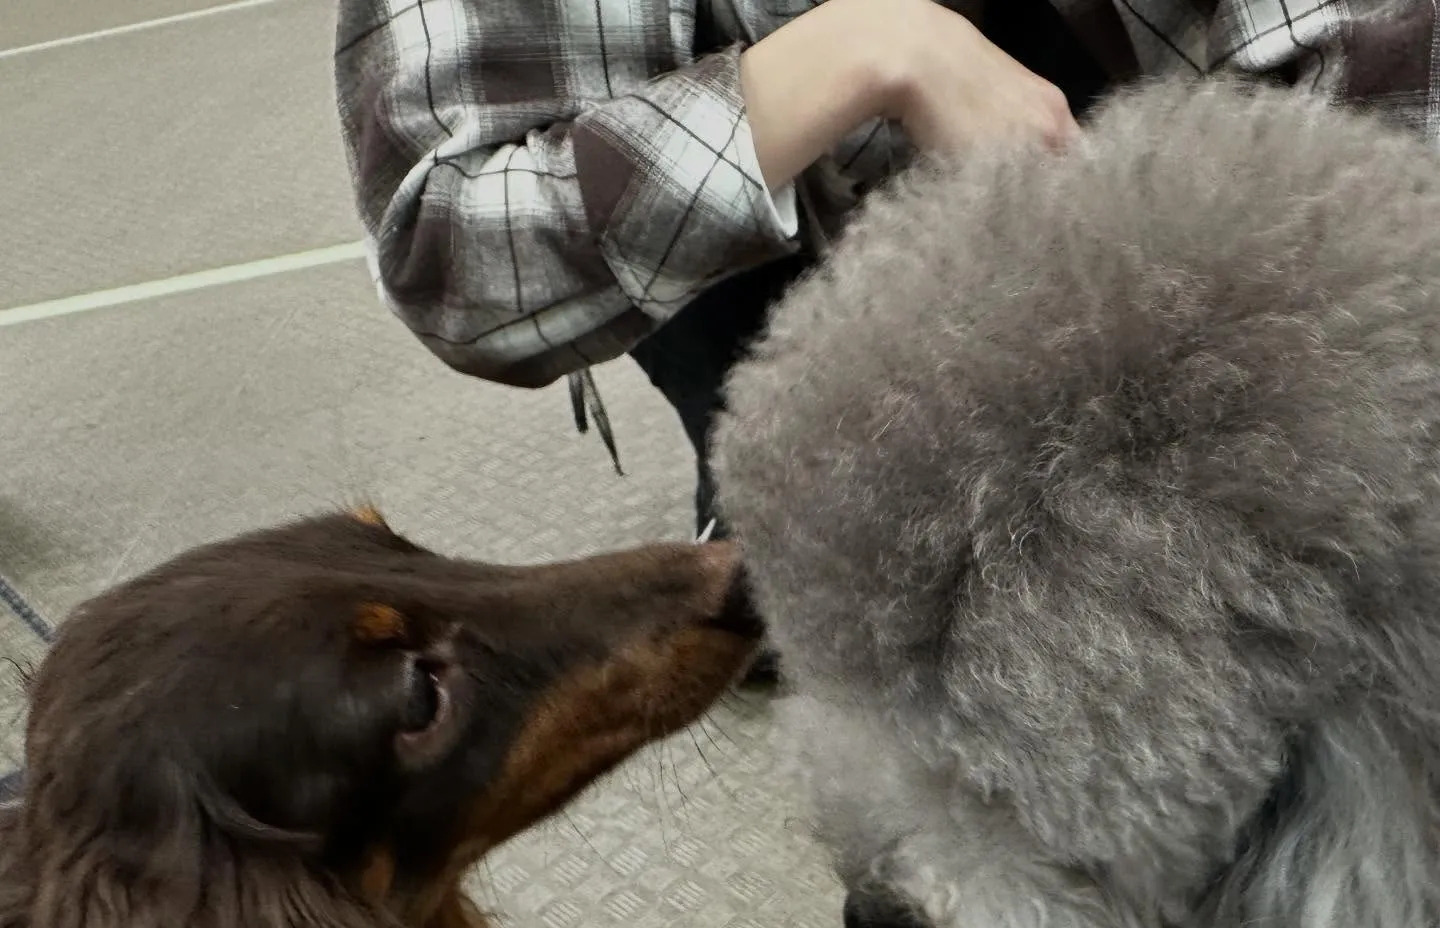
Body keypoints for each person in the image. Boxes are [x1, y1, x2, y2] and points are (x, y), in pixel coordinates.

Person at [333, 0, 1433, 675]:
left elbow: (1385, 70)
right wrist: (862, 54)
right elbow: (459, 251)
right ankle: (785, 469)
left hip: (1191, 177)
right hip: (806, 267)